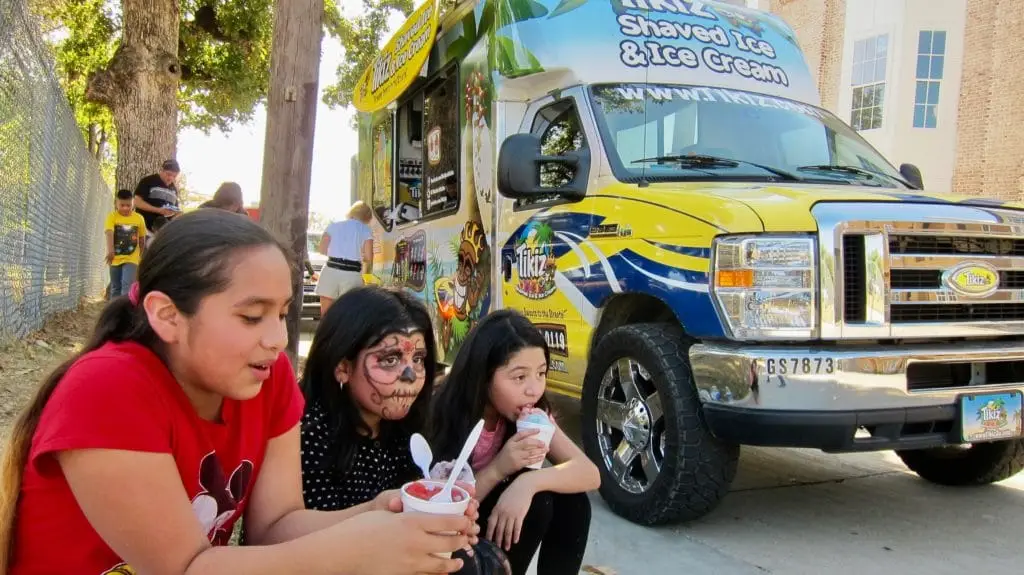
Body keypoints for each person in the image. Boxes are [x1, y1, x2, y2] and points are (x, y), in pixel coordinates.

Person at [0, 209, 479, 575]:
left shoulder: (266, 384)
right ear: (166, 315)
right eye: (252, 316)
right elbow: (186, 569)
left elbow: (276, 527)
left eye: (282, 314)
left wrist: (378, 514)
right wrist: (363, 547)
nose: (276, 339)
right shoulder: (107, 389)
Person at [300, 285, 510, 575]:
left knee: (484, 558)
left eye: (419, 359)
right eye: (390, 359)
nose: (411, 375)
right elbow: (309, 544)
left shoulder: (402, 429)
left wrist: (444, 509)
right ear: (343, 367)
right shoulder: (310, 435)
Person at [428, 310, 600, 575]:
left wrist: (527, 482)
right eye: (519, 377)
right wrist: (500, 468)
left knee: (571, 500)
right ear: (484, 376)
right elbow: (437, 513)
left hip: (495, 519)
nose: (534, 389)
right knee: (539, 506)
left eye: (541, 373)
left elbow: (589, 473)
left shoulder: (532, 415)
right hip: (449, 533)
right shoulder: (444, 412)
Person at [316, 201, 374, 315]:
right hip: (352, 273)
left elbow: (322, 249)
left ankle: (327, 332)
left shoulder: (333, 226)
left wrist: (338, 250)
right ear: (367, 217)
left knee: (326, 313)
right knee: (349, 314)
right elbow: (369, 257)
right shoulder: (366, 230)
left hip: (330, 270)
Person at [104, 189, 146, 299]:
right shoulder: (112, 217)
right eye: (122, 205)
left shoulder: (139, 218)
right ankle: (114, 312)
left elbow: (142, 238)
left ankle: (124, 312)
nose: (125, 208)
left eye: (129, 205)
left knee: (127, 286)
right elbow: (109, 233)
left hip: (131, 258)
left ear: (133, 203)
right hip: (115, 257)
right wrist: (111, 251)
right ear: (116, 203)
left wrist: (139, 255)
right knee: (115, 286)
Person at [134, 159, 181, 235]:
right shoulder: (148, 181)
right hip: (144, 230)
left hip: (163, 233)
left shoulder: (174, 189)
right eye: (168, 174)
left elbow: (174, 212)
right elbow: (137, 202)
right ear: (162, 170)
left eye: (174, 176)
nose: (171, 178)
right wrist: (158, 210)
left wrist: (178, 214)